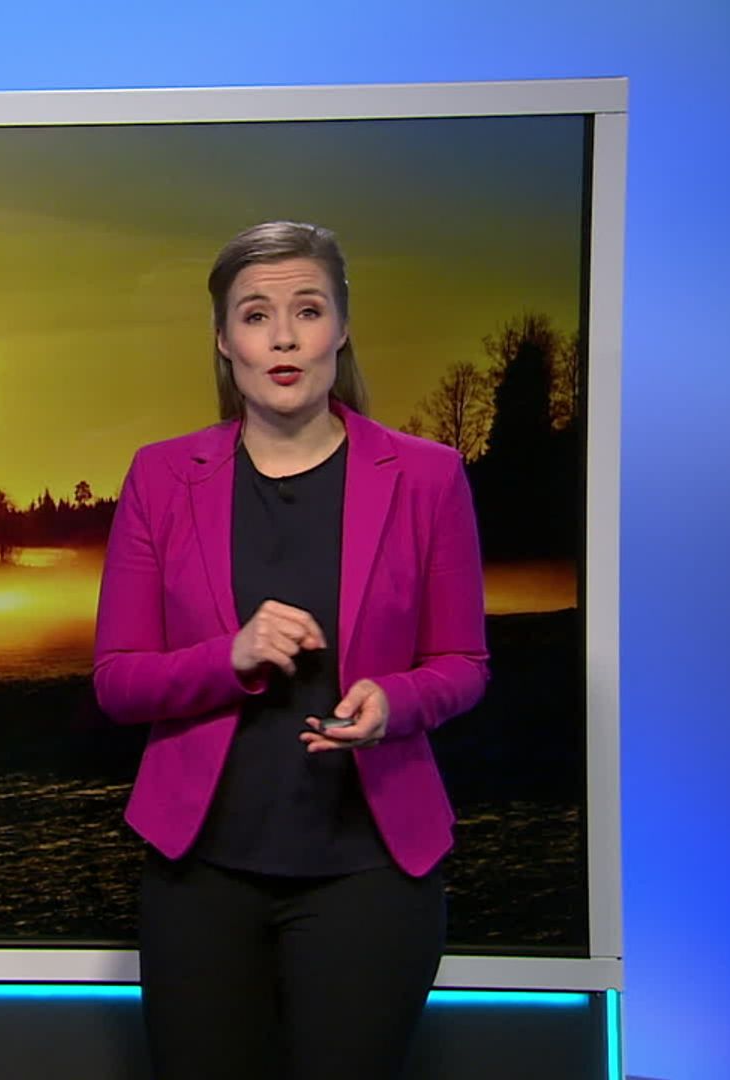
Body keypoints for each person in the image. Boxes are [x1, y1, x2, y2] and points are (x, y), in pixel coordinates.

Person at [92, 221, 489, 1080]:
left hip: (371, 873)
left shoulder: (428, 477)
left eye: (307, 311)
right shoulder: (160, 477)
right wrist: (229, 657)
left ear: (340, 329)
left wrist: (396, 703)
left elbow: (464, 664)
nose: (282, 337)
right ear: (223, 339)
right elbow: (117, 681)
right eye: (255, 315)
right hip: (200, 876)